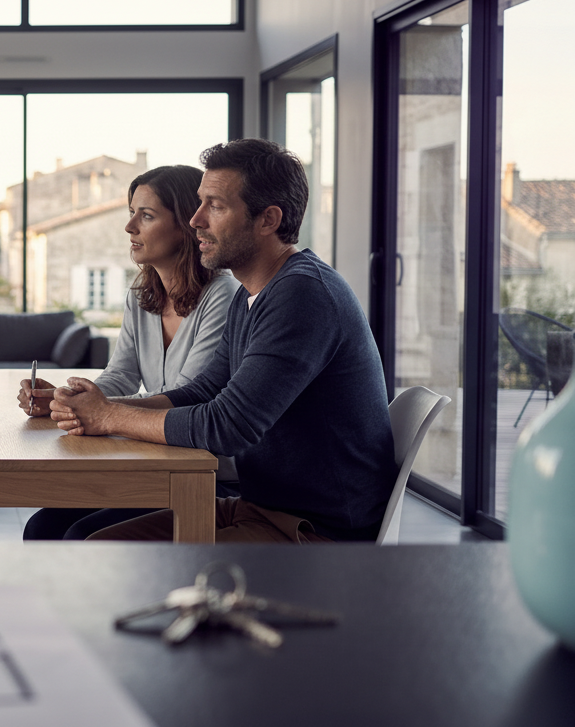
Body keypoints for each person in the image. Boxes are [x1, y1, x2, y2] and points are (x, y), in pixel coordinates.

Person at [51, 138, 396, 543]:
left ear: (268, 220)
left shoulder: (303, 294)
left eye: (214, 206)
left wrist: (109, 417)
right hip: (258, 506)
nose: (196, 220)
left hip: (315, 530)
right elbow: (202, 392)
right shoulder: (253, 294)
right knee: (79, 536)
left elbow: (227, 426)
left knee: (99, 551)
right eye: (200, 203)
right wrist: (96, 408)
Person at [18, 165, 240, 540]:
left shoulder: (223, 295)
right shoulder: (141, 295)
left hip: (207, 472)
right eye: (131, 213)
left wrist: (95, 409)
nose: (129, 227)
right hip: (155, 459)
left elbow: (188, 395)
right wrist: (67, 399)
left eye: (146, 215)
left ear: (187, 225)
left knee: (79, 536)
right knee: (42, 527)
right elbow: (120, 375)